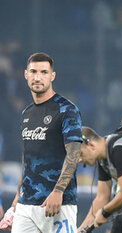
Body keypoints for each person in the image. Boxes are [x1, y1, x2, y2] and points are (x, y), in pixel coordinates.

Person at [0, 52, 83, 232]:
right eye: (34, 72)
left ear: (52, 76)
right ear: (26, 74)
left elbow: (74, 153)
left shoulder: (67, 110)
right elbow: (28, 156)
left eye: (44, 72)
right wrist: (17, 196)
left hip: (58, 203)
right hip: (26, 204)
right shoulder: (26, 113)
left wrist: (58, 191)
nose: (38, 77)